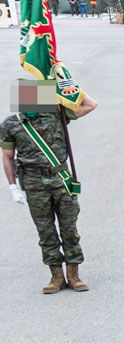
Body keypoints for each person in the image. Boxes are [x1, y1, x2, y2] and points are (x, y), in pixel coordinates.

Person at [3, 78, 98, 293]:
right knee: (45, 232)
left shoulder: (57, 115)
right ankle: (56, 277)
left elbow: (91, 105)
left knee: (69, 229)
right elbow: (7, 157)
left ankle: (74, 275)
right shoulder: (11, 125)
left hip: (60, 181)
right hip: (34, 184)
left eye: (36, 96)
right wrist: (12, 187)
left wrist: (68, 84)